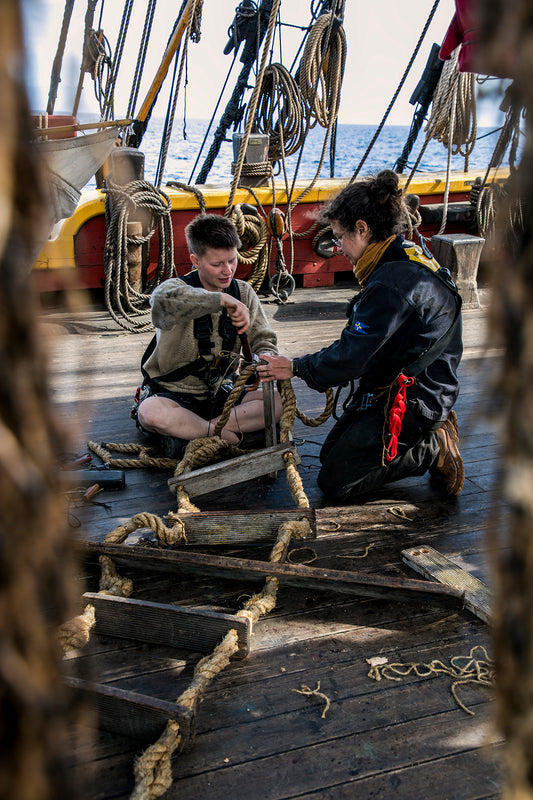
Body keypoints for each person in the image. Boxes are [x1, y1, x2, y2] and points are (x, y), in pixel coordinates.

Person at [258, 169, 464, 500]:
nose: (337, 246)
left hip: (417, 397)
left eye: (340, 236)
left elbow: (352, 357)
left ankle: (432, 446)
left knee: (336, 483)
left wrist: (296, 367)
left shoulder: (391, 284)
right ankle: (424, 437)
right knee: (330, 456)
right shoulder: (401, 252)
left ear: (363, 229)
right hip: (399, 380)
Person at [134, 213, 282, 456]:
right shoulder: (174, 290)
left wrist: (264, 359)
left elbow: (263, 338)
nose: (228, 271)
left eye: (232, 261)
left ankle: (200, 431)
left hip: (222, 393)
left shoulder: (244, 292)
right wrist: (221, 300)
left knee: (279, 401)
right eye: (217, 264)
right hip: (176, 394)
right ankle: (223, 435)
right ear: (195, 260)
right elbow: (160, 302)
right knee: (149, 412)